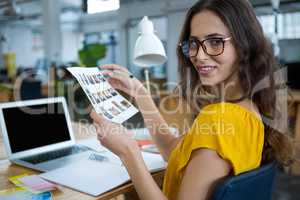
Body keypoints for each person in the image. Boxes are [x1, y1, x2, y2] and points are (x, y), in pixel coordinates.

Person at [90, 0, 295, 199]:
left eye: (215, 42)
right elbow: (174, 153)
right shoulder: (247, 110)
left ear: (244, 45)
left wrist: (128, 153)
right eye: (194, 43)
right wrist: (141, 93)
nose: (199, 55)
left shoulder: (219, 119)